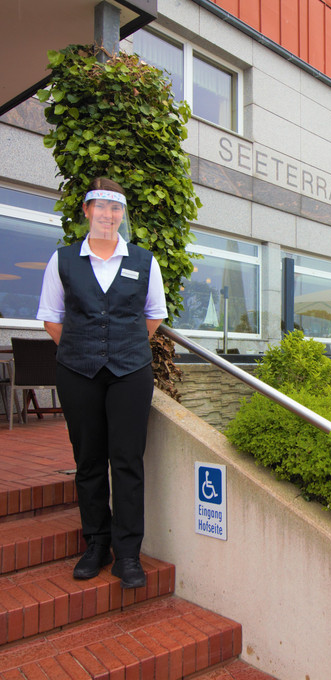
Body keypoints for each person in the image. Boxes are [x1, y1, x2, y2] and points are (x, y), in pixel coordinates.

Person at [37, 178, 167, 589]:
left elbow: (154, 316)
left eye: (116, 209)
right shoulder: (63, 261)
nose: (109, 216)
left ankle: (128, 554)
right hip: (78, 372)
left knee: (127, 461)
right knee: (89, 460)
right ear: (87, 210)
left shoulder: (145, 261)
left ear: (122, 215)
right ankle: (97, 543)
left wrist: (118, 349)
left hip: (130, 373)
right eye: (101, 207)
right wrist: (87, 350)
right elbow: (51, 319)